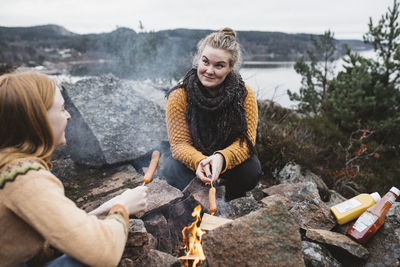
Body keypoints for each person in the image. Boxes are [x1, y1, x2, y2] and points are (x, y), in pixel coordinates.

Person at [0, 71, 148, 267]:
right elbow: (102, 253)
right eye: (62, 109)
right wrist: (123, 209)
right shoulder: (25, 177)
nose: (69, 116)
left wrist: (105, 209)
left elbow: (51, 238)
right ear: (38, 119)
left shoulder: (9, 167)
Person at [162, 27, 262, 201]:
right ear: (198, 59)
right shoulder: (179, 95)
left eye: (219, 65)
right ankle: (193, 201)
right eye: (205, 61)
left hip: (227, 159)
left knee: (251, 169)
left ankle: (233, 200)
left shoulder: (244, 94)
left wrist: (221, 159)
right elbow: (179, 145)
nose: (209, 70)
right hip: (194, 159)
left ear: (230, 67)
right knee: (172, 169)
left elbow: (246, 143)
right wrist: (200, 161)